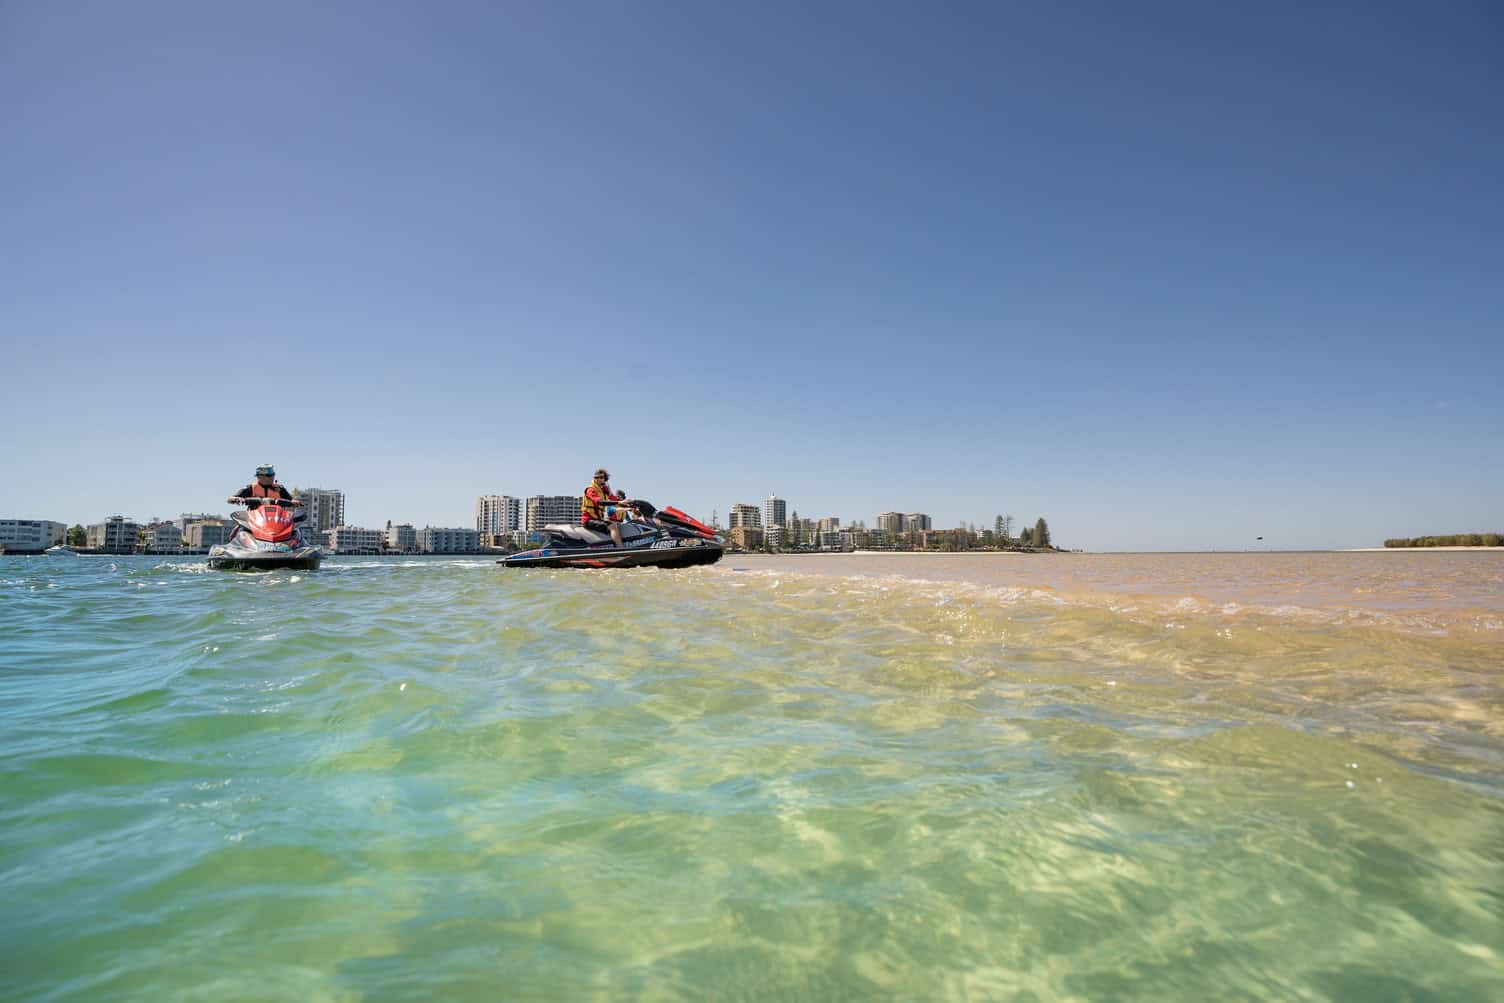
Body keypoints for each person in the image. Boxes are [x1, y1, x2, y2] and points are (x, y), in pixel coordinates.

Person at [581, 467, 629, 546]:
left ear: (605, 479)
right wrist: (619, 501)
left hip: (598, 519)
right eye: (596, 477)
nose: (598, 479)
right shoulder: (590, 490)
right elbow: (599, 502)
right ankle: (620, 549)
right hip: (588, 520)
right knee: (611, 525)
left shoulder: (604, 490)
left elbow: (614, 499)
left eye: (601, 477)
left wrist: (628, 504)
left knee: (615, 525)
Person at [228, 463, 297, 510]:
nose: (272, 477)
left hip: (277, 520)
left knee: (294, 530)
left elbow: (291, 500)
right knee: (240, 529)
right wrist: (236, 499)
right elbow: (230, 499)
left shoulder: (280, 488)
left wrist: (295, 502)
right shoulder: (251, 488)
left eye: (273, 474)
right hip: (255, 520)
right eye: (268, 475)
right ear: (259, 476)